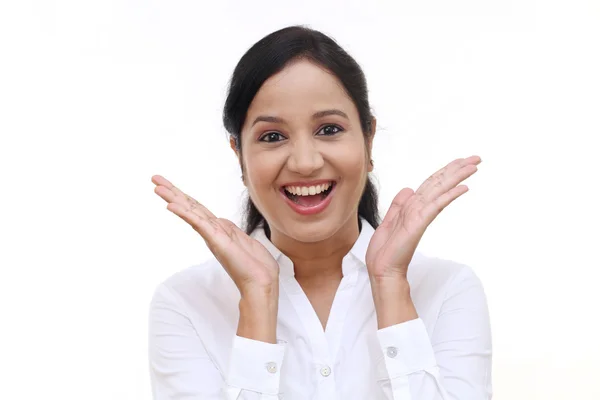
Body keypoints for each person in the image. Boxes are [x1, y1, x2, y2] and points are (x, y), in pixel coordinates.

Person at [148, 25, 492, 400]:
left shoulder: (447, 290)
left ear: (368, 138)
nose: (305, 163)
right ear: (238, 154)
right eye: (272, 136)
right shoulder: (186, 303)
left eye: (329, 129)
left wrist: (391, 287)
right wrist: (257, 304)